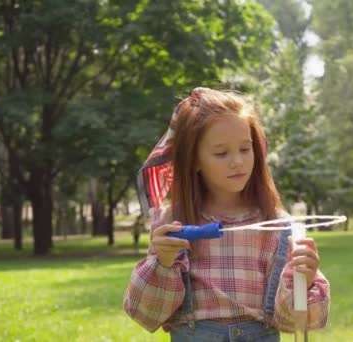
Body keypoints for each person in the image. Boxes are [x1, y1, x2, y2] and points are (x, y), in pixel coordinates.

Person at [123, 87, 330, 341]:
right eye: (221, 153)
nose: (238, 162)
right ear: (194, 160)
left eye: (245, 149)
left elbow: (294, 322)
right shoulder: (173, 224)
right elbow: (146, 313)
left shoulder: (277, 226)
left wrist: (304, 280)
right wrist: (163, 263)